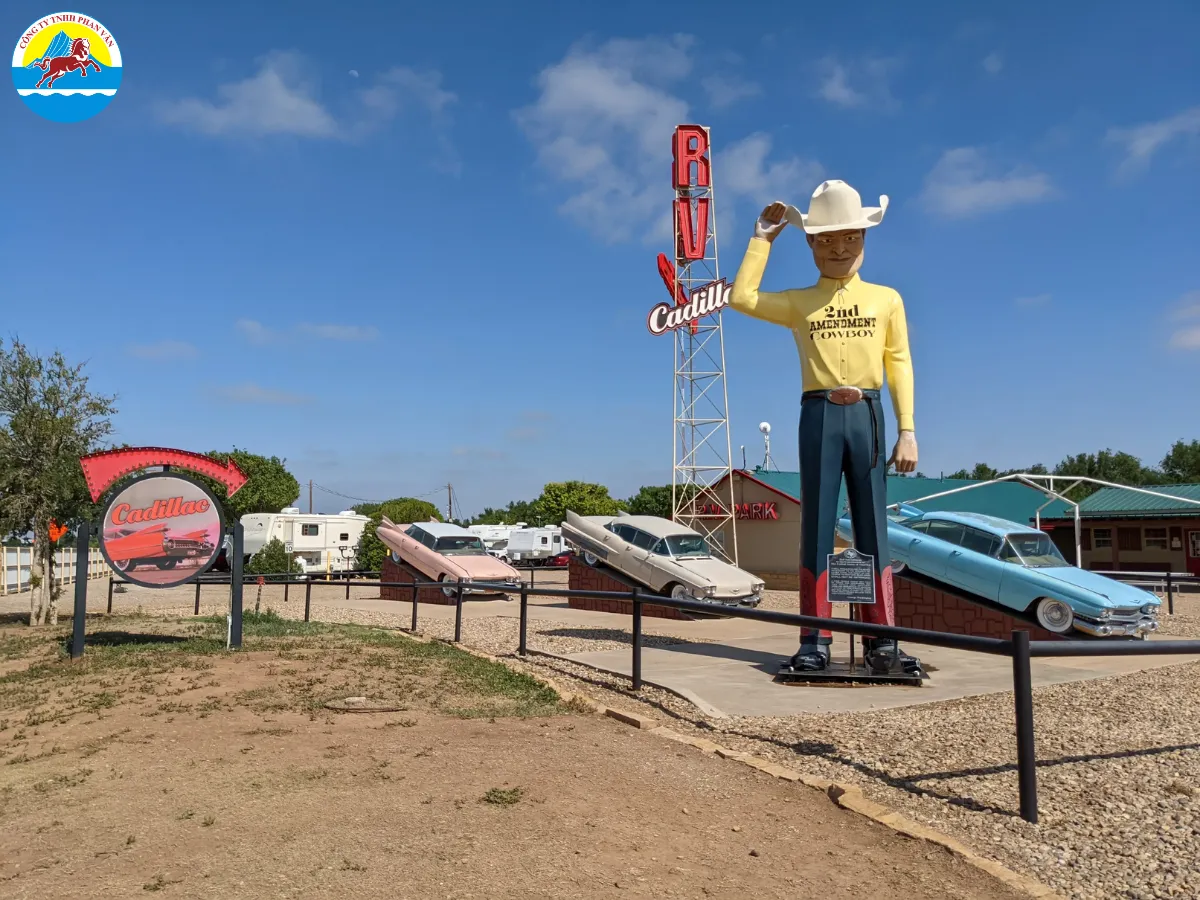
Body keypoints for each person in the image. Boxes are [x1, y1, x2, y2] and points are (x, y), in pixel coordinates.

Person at [729, 180, 922, 675]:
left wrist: (908, 428)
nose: (839, 249)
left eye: (850, 238)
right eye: (826, 239)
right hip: (817, 412)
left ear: (864, 238)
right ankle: (813, 639)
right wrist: (761, 241)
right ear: (811, 243)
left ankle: (883, 640)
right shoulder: (799, 302)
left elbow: (899, 362)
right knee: (814, 525)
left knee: (873, 526)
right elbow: (742, 298)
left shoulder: (887, 299)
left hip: (868, 414)